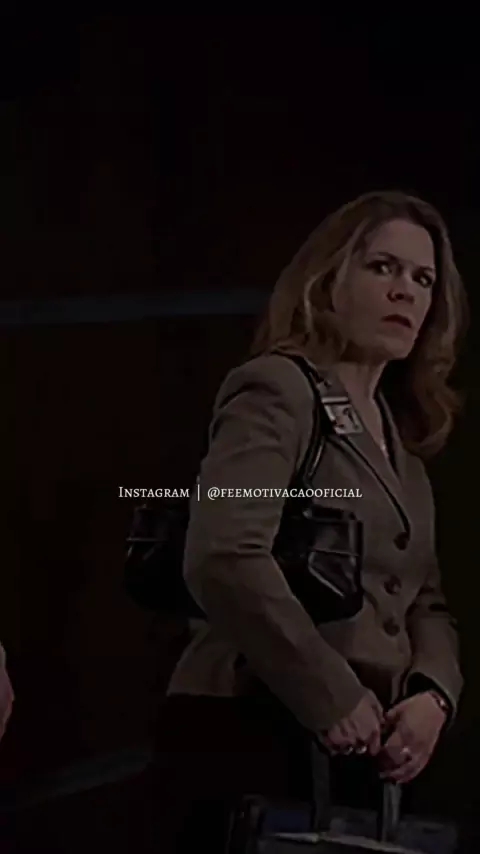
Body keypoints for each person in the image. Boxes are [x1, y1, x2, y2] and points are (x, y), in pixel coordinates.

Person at [150, 190, 467, 853]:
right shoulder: (277, 389)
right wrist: (329, 692)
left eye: (423, 279)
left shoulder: (403, 444)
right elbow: (225, 555)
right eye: (382, 267)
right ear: (328, 280)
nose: (405, 291)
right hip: (253, 729)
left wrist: (434, 696)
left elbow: (426, 600)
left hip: (362, 756)